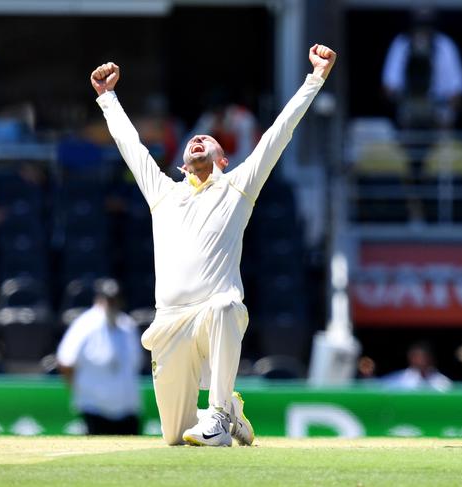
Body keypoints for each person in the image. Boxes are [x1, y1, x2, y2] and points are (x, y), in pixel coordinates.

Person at [90, 43, 336, 446]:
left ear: (224, 160)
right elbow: (131, 147)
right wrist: (108, 98)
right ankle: (232, 414)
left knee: (225, 304)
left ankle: (220, 413)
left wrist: (315, 78)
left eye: (210, 140)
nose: (200, 137)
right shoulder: (163, 193)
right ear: (183, 164)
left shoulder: (238, 187)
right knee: (174, 437)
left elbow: (280, 132)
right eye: (194, 140)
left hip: (212, 314)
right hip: (169, 324)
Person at [56, 278, 142, 435]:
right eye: (108, 299)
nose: (111, 303)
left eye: (115, 299)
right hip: (95, 411)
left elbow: (136, 363)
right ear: (99, 298)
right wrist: (79, 393)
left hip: (128, 412)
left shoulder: (128, 325)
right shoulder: (84, 324)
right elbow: (65, 362)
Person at [382, 7, 462, 129]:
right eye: (419, 23)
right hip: (408, 115)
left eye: (426, 24)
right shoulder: (401, 44)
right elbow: (388, 87)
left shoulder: (445, 46)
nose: (422, 29)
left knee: (445, 118)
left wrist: (438, 103)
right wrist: (405, 99)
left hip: (439, 117)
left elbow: (458, 93)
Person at [382, 342, 452, 392]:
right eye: (416, 357)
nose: (421, 361)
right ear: (410, 358)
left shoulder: (442, 381)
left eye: (424, 357)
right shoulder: (396, 379)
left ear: (430, 359)